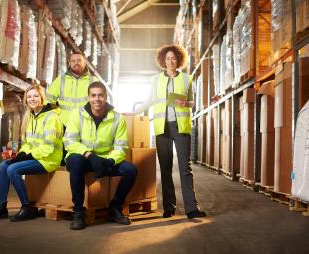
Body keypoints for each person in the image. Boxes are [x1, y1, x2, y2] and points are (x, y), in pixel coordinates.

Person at [131, 45, 206, 219]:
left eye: (173, 58)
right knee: (165, 168)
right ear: (163, 61)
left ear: (178, 60)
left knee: (184, 168)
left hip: (180, 127)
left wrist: (186, 104)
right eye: (167, 59)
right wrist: (134, 112)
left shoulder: (187, 79)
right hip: (161, 127)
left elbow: (192, 102)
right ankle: (169, 207)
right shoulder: (155, 80)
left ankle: (191, 208)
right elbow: (149, 100)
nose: (170, 61)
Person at [64, 81, 137, 230]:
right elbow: (70, 141)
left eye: (100, 95)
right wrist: (89, 155)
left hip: (104, 159)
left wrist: (110, 161)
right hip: (81, 157)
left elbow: (121, 147)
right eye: (93, 95)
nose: (97, 99)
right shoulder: (77, 114)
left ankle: (115, 207)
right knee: (76, 162)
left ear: (106, 97)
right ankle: (78, 211)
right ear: (89, 97)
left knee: (131, 170)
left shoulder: (118, 118)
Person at [0, 85, 63, 222]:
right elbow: (28, 143)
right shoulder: (30, 116)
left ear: (42, 98)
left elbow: (48, 147)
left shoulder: (51, 117)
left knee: (13, 169)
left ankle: (27, 208)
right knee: (4, 165)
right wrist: (20, 154)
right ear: (26, 99)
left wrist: (27, 156)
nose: (32, 99)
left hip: (48, 159)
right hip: (36, 156)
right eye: (30, 96)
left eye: (36, 96)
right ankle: (2, 206)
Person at [46, 52, 98, 127]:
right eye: (73, 61)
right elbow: (49, 100)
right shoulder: (61, 80)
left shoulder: (93, 81)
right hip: (63, 125)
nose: (76, 63)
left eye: (79, 60)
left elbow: (99, 104)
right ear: (69, 63)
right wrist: (54, 117)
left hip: (85, 125)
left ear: (85, 62)